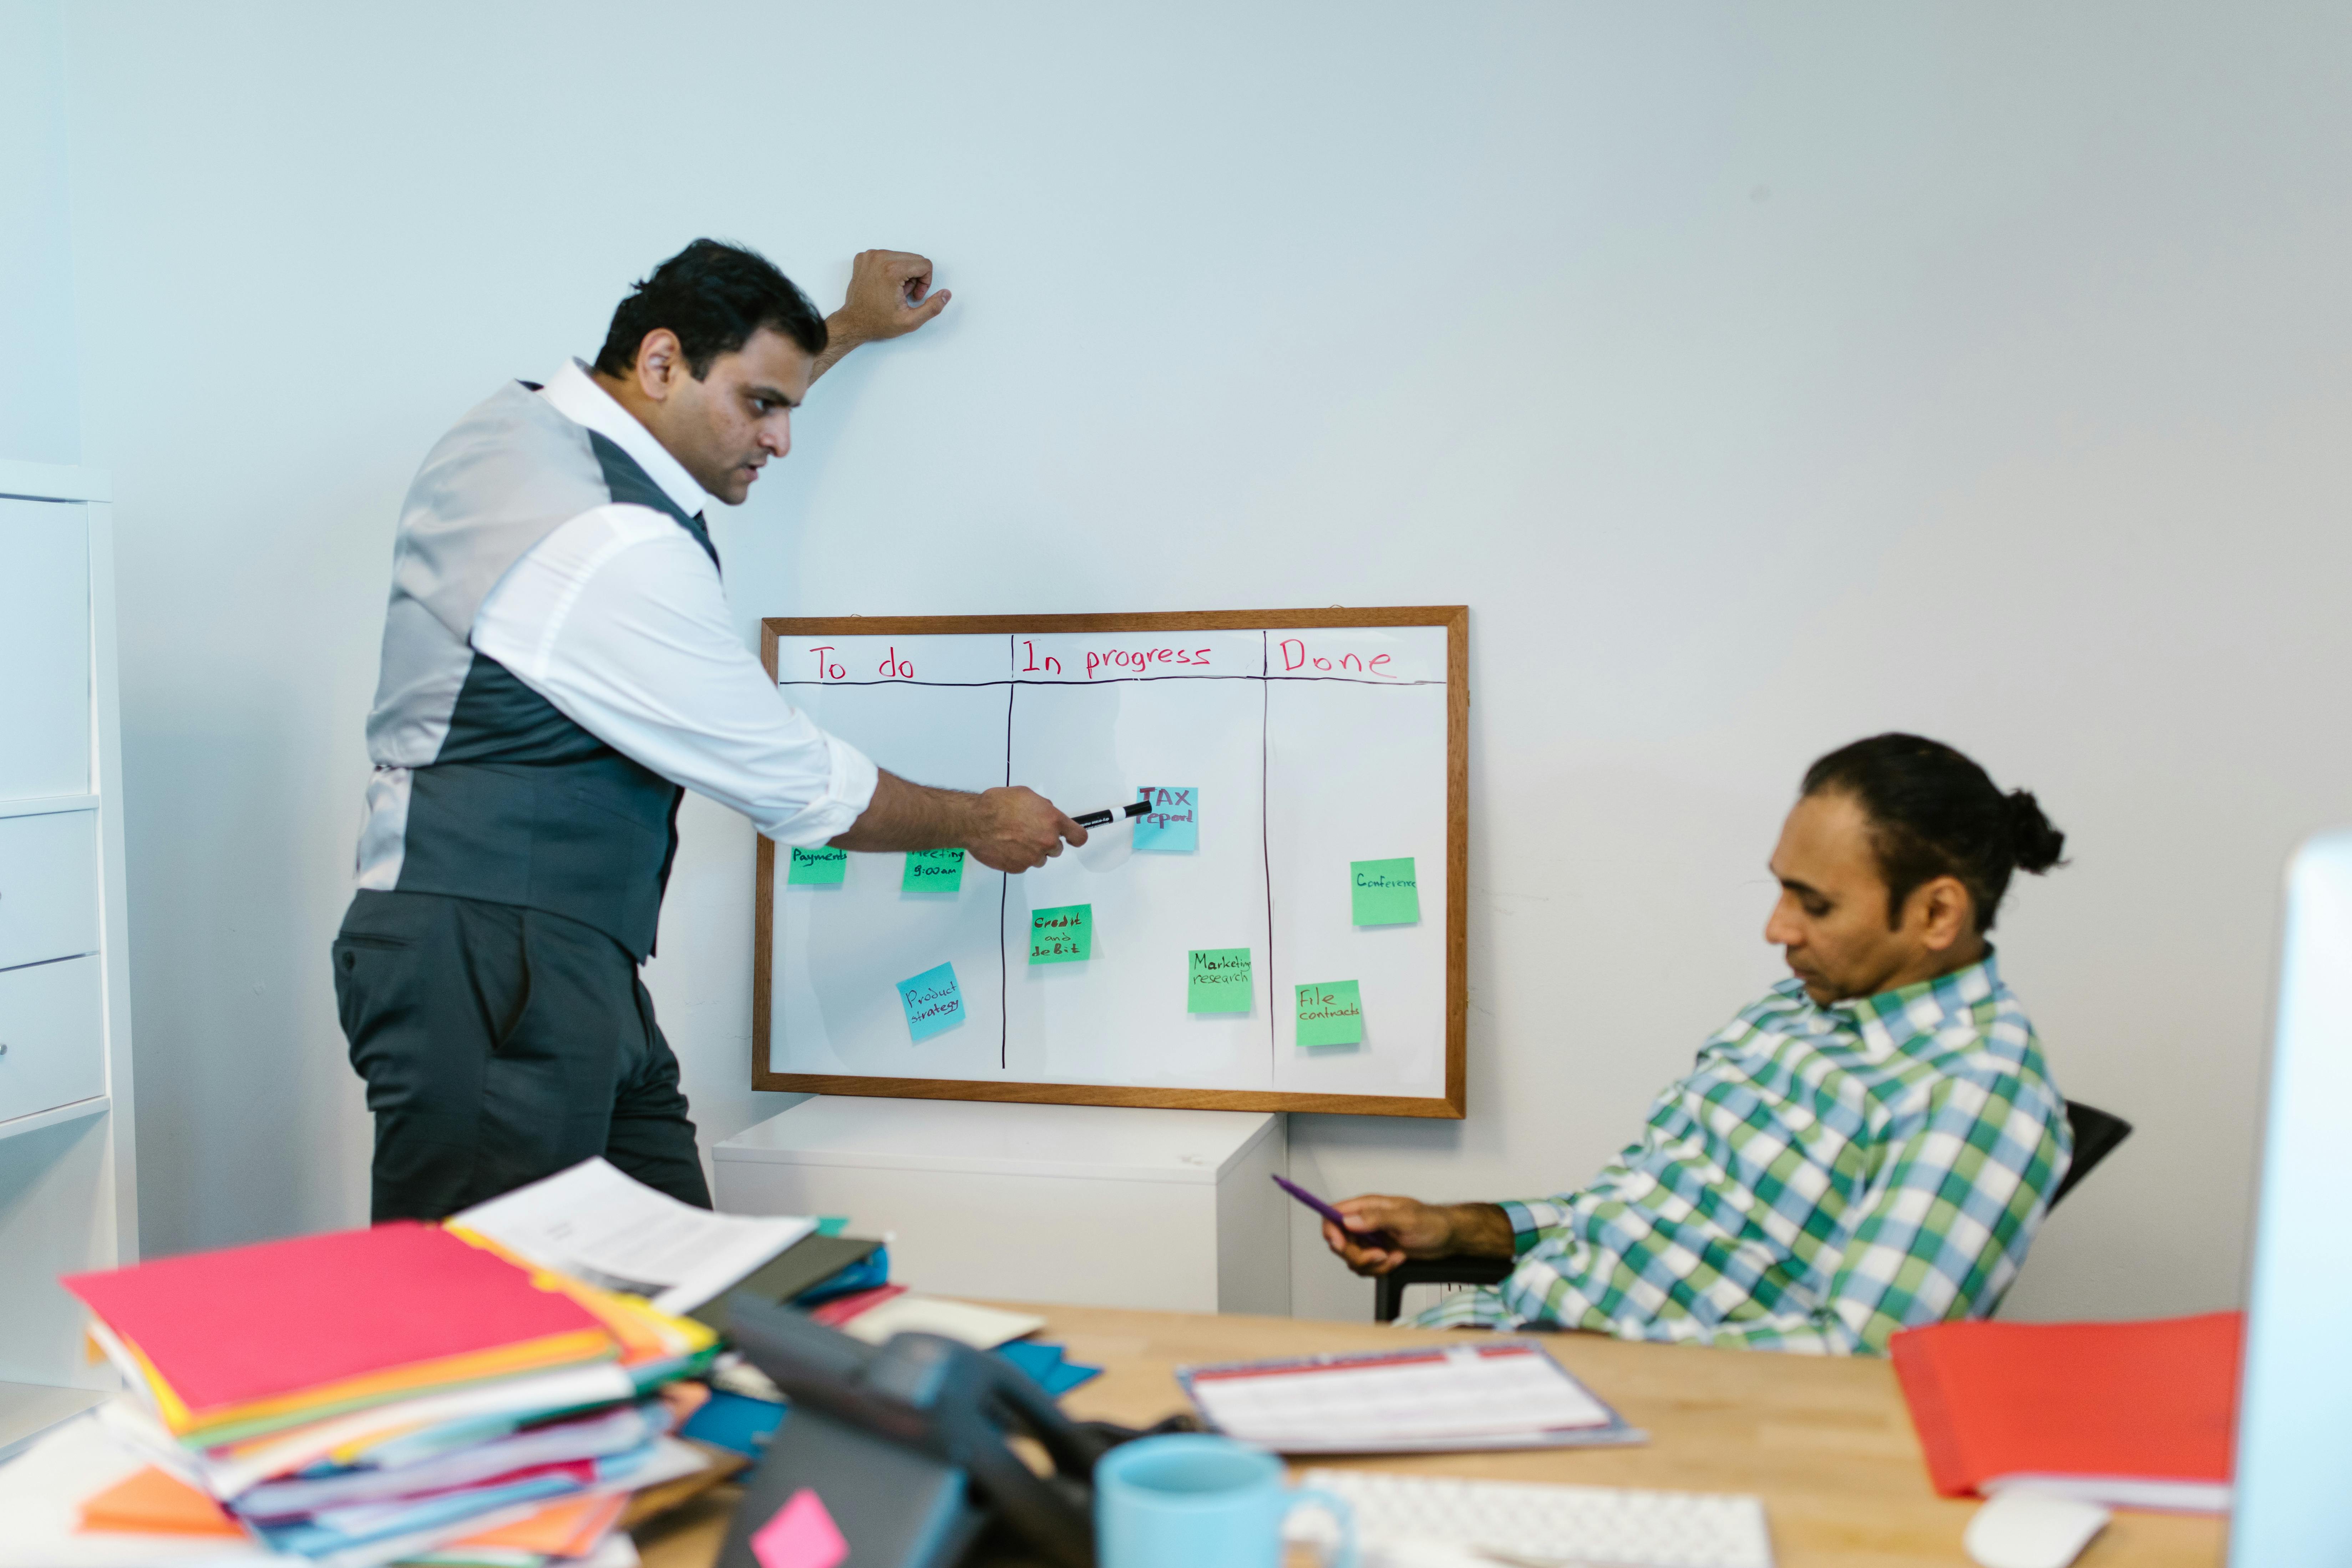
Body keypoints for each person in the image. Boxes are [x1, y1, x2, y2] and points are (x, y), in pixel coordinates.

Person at [334, 239, 1088, 1223]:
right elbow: (799, 785)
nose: (779, 442)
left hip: (538, 954)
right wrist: (982, 820)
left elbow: (727, 381)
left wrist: (847, 325)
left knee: (683, 1281)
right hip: (497, 960)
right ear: (658, 364)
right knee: (475, 1327)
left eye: (786, 405)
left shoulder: (517, 427)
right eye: (762, 405)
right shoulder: (613, 543)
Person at [1323, 734, 2072, 1354]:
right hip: (1499, 1337)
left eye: (1815, 904)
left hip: (1611, 1402)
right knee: (1218, 1423)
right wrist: (1454, 1227)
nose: (1776, 928)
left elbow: (1861, 1358)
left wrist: (1566, 1351)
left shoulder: (1974, 1091)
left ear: (1937, 912)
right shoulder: (1798, 1006)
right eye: (1782, 888)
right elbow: (1643, 1208)